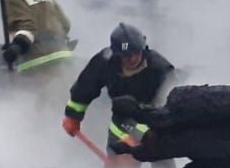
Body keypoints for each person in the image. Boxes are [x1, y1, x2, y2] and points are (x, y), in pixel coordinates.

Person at [62, 22, 175, 155]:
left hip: (156, 126)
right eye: (126, 56)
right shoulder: (104, 62)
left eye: (135, 53)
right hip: (121, 123)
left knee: (163, 166)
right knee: (120, 166)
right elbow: (84, 89)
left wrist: (140, 135)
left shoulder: (161, 70)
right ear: (117, 54)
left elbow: (167, 110)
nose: (132, 59)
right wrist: (73, 116)